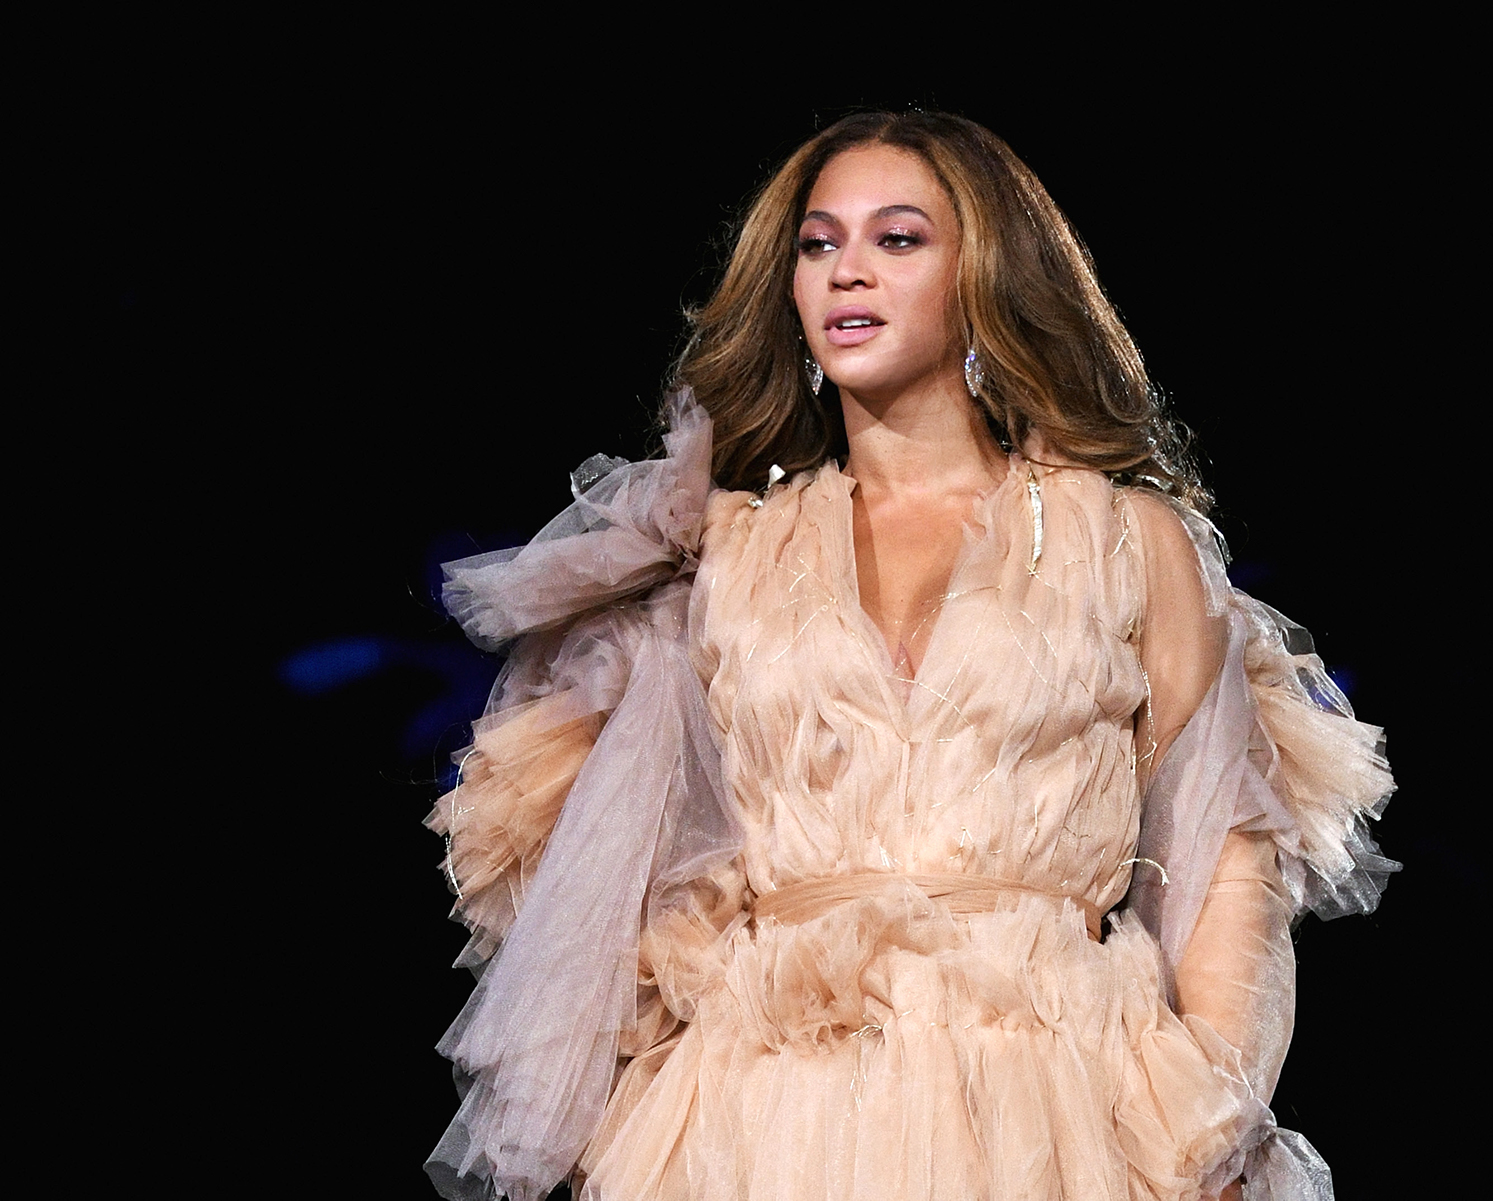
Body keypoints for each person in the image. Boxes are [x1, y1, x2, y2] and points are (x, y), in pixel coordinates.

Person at [423, 111, 1394, 1201]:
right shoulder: (729, 555)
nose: (847, 272)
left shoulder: (1125, 540)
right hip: (769, 1121)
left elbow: (1223, 861)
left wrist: (1206, 1125)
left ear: (983, 275)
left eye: (897, 239)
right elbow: (627, 879)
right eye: (819, 244)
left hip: (1057, 1111)